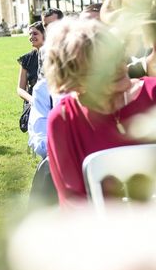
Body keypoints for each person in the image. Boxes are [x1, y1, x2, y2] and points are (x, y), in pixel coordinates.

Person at [44, 18, 156, 207]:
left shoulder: (153, 94)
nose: (120, 67)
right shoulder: (63, 121)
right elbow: (74, 204)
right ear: (76, 80)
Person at [16, 22, 45, 105]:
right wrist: (31, 99)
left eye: (35, 34)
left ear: (44, 35)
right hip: (32, 103)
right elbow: (20, 88)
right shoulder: (27, 59)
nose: (31, 37)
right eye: (30, 34)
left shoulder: (54, 55)